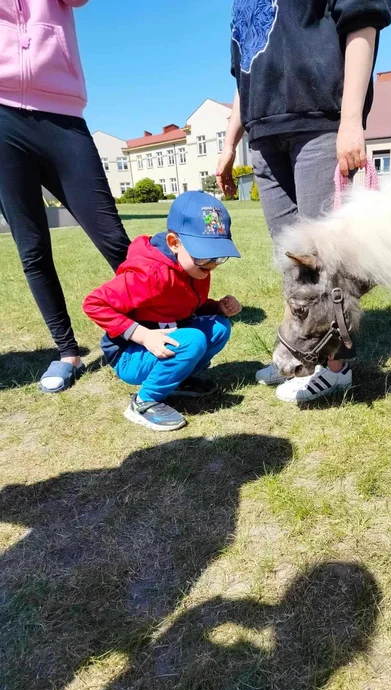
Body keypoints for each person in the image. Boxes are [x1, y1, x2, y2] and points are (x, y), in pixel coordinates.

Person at [217, 0, 391, 403]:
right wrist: (231, 142)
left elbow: (362, 20)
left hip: (319, 121)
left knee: (330, 263)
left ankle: (337, 369)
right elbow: (247, 65)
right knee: (295, 264)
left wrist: (351, 120)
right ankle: (302, 355)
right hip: (263, 135)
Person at [0, 0, 130, 393]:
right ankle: (67, 351)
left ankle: (160, 324)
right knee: (32, 247)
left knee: (113, 238)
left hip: (62, 116)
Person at [83, 192, 242, 432]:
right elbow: (94, 303)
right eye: (204, 256)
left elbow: (185, 305)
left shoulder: (194, 269)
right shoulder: (149, 274)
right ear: (174, 243)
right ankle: (144, 402)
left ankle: (178, 379)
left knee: (219, 327)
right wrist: (144, 335)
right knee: (193, 340)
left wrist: (216, 307)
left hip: (166, 338)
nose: (211, 266)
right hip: (130, 354)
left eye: (218, 257)